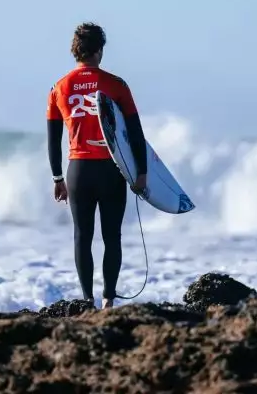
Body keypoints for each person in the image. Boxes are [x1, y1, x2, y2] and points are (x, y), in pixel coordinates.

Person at [46, 22, 148, 309]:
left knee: (82, 236)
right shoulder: (116, 85)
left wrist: (57, 178)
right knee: (111, 236)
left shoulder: (58, 88)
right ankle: (108, 300)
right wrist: (141, 172)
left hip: (77, 171)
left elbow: (53, 140)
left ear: (75, 51)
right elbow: (135, 132)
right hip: (111, 170)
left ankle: (87, 299)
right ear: (100, 50)